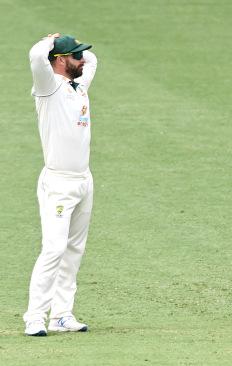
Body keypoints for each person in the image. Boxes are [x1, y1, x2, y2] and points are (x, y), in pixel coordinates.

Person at [24, 34, 98, 336]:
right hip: (57, 182)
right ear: (59, 60)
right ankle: (35, 317)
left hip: (84, 180)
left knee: (73, 250)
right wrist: (49, 40)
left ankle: (61, 315)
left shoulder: (79, 85)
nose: (82, 60)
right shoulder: (47, 88)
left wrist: (73, 46)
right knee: (53, 249)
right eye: (75, 56)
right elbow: (35, 56)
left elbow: (94, 60)